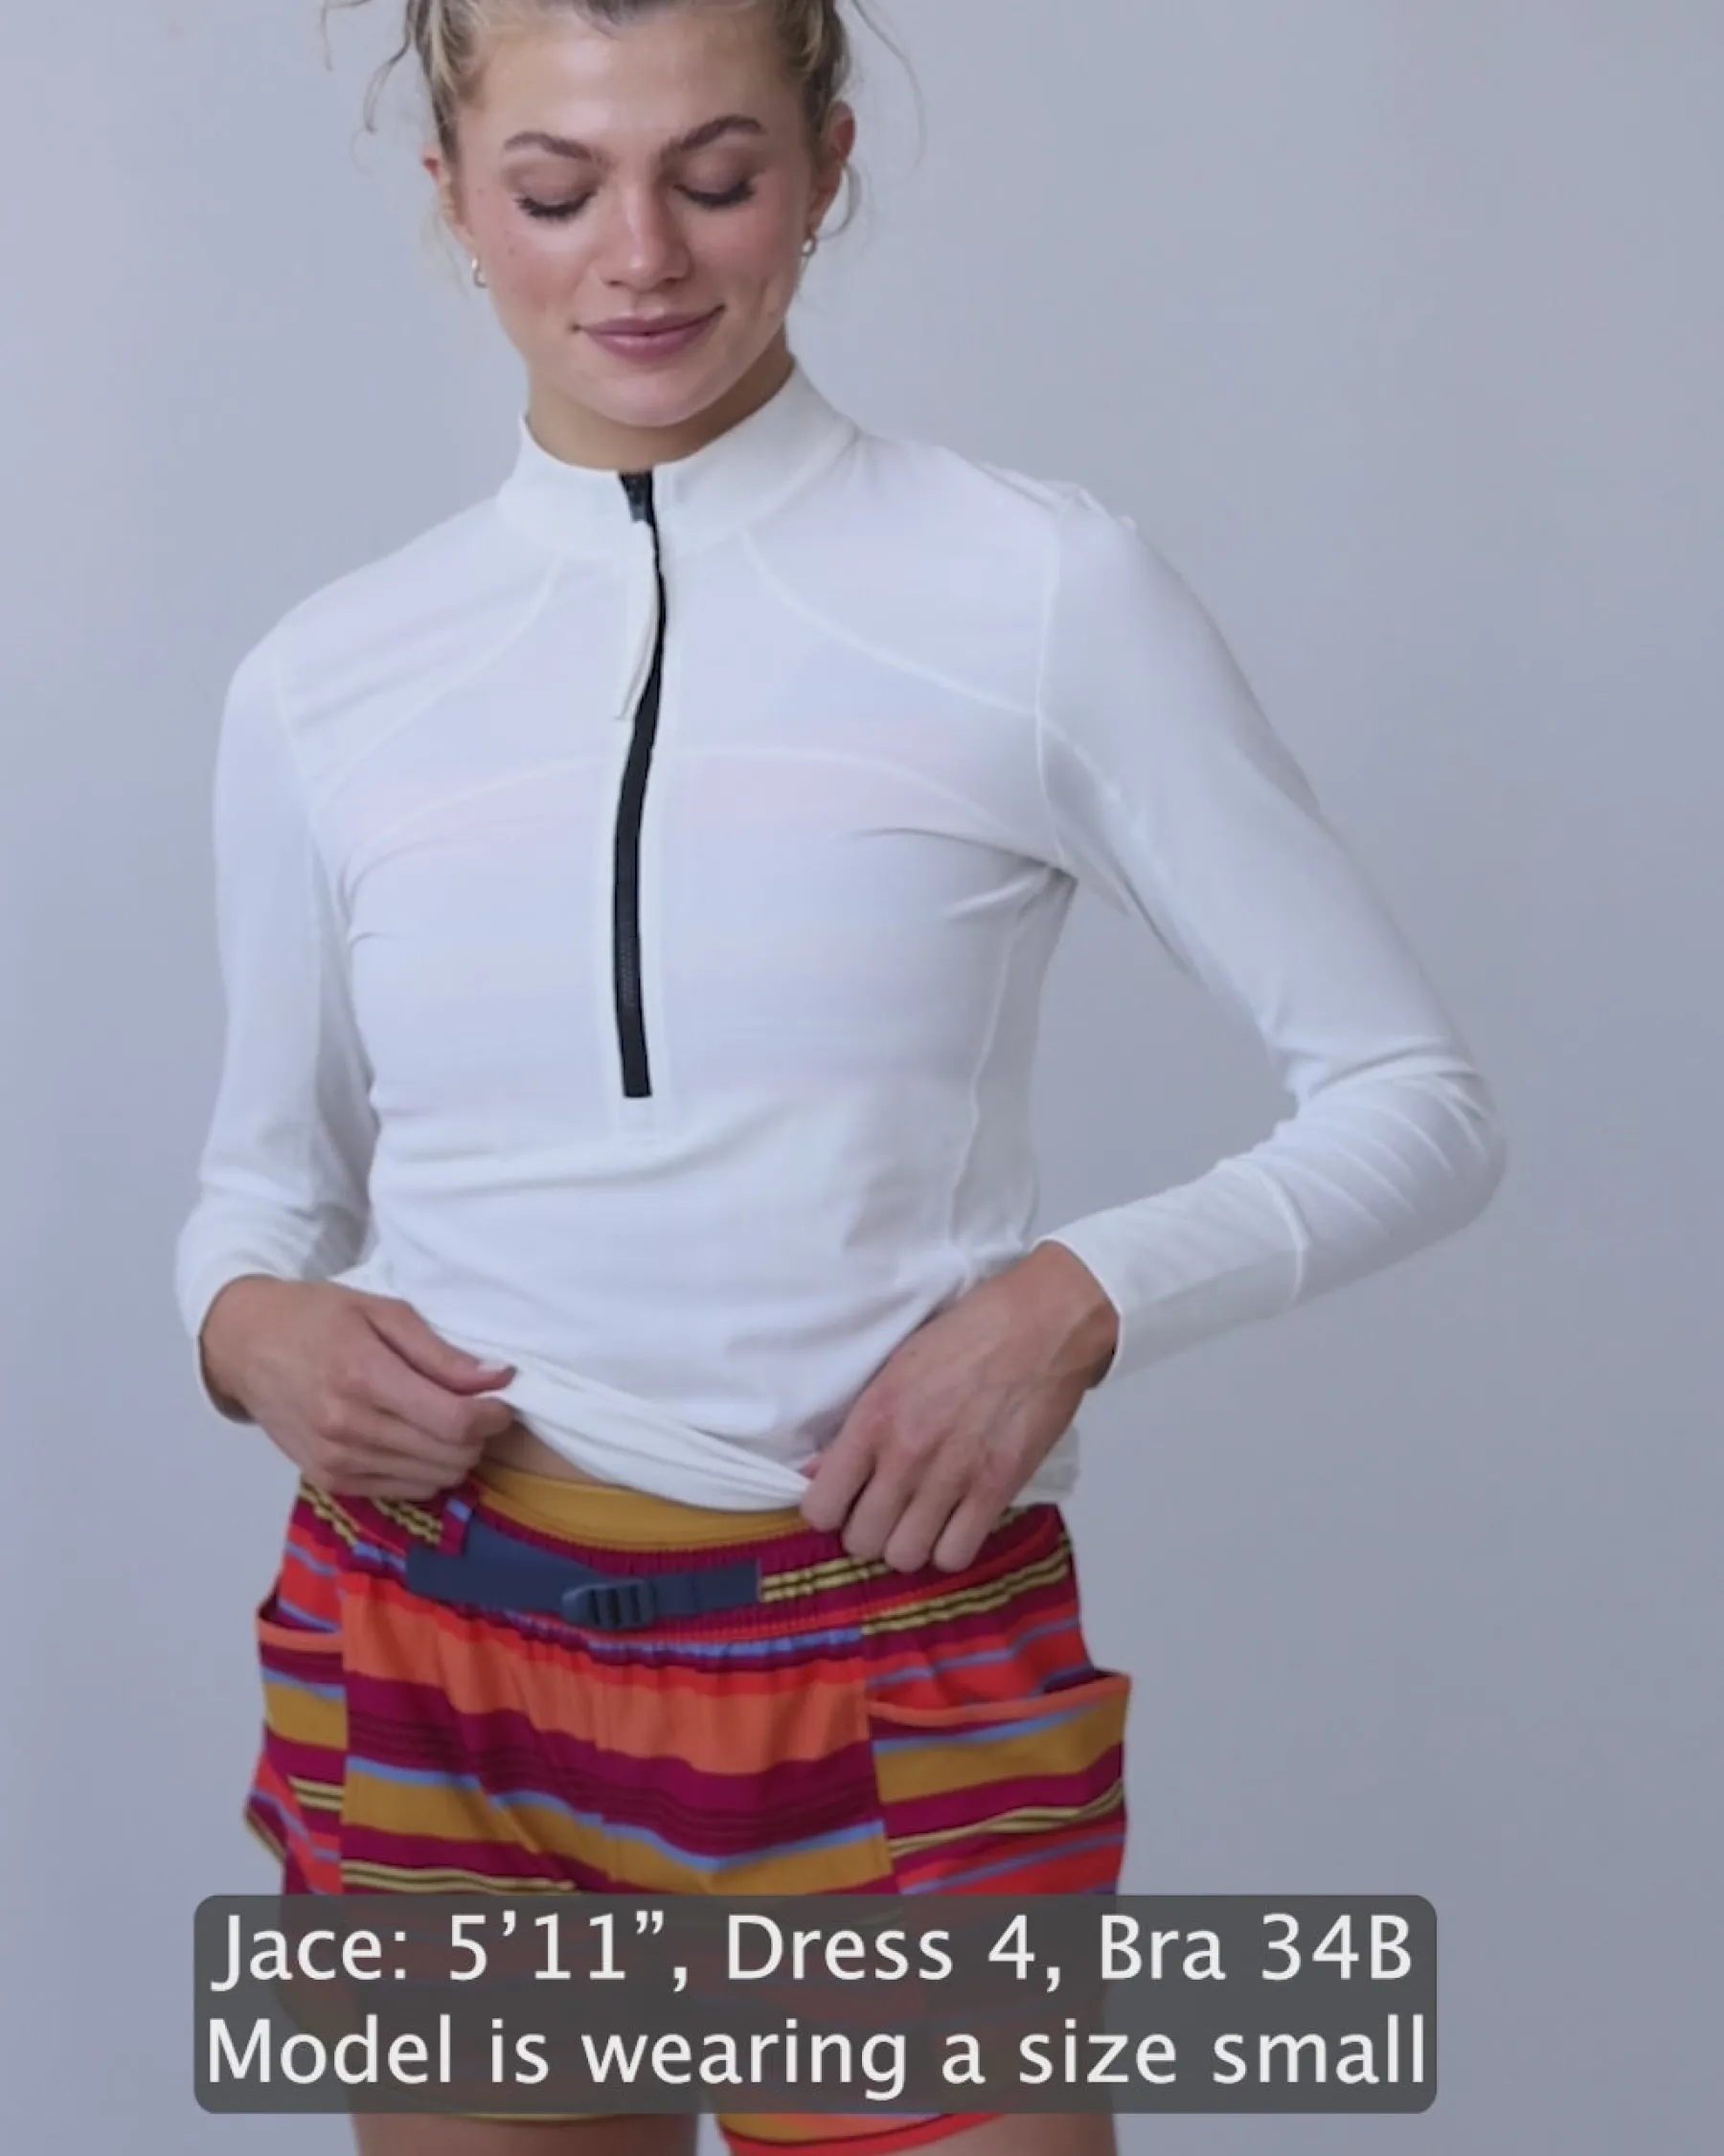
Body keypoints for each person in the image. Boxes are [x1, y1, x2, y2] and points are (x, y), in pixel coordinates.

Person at [172, 2, 1508, 2151]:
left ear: (827, 164)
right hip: (432, 1659)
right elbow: (259, 1192)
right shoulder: (325, 682)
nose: (641, 257)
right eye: (556, 189)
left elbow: (1413, 1099)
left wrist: (1068, 1302)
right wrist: (249, 1332)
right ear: (453, 199)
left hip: (880, 1666)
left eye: (716, 178)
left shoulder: (1033, 591)